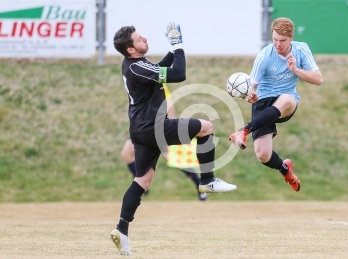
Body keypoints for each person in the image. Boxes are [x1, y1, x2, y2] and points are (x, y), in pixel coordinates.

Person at [110, 23, 237, 256]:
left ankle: (121, 230)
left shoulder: (138, 65)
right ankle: (207, 180)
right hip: (153, 127)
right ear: (130, 49)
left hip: (142, 129)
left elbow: (158, 69)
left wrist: (171, 49)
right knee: (205, 127)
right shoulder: (137, 66)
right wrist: (178, 46)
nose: (144, 39)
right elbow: (179, 74)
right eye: (139, 39)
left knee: (143, 180)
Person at [229, 17, 323, 192]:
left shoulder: (301, 50)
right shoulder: (264, 56)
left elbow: (318, 79)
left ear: (291, 38)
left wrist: (295, 70)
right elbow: (252, 88)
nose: (278, 44)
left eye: (282, 41)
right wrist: (251, 96)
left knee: (287, 99)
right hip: (263, 102)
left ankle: (243, 131)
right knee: (263, 155)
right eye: (275, 40)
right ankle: (285, 169)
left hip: (286, 102)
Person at [120, 83, 208, 201]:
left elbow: (169, 102)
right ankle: (142, 187)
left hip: (160, 127)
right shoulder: (134, 78)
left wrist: (168, 129)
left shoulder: (151, 76)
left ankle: (200, 186)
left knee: (174, 159)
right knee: (126, 153)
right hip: (143, 127)